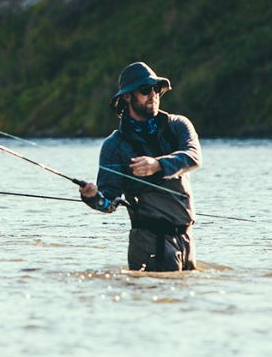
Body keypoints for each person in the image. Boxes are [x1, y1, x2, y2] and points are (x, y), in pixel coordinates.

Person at [78, 62, 202, 271]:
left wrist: (158, 165)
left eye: (156, 89)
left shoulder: (178, 125)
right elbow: (109, 202)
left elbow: (193, 157)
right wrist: (92, 197)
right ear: (127, 97)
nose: (153, 94)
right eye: (145, 90)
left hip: (187, 239)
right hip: (149, 242)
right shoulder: (114, 146)